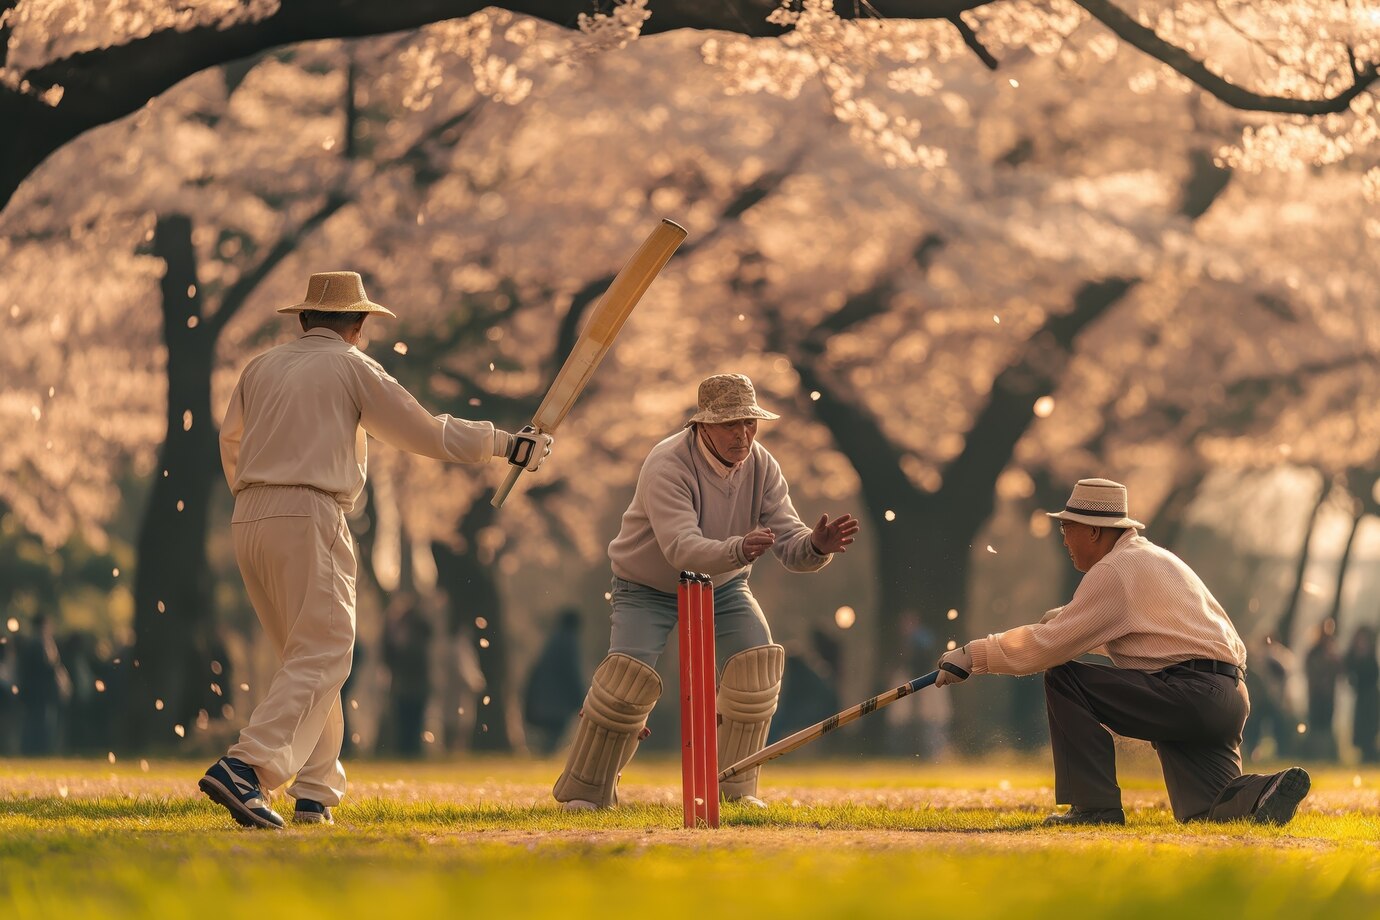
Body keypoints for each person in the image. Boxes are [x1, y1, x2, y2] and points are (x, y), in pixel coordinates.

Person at [201, 271, 552, 830]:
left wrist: (258, 494)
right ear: (359, 323)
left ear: (303, 318)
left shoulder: (260, 366)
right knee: (326, 650)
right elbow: (426, 432)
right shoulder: (350, 364)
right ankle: (245, 767)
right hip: (309, 510)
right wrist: (505, 444)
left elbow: (230, 442)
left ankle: (315, 791)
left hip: (250, 513)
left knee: (309, 656)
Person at [552, 373, 859, 810]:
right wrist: (738, 548)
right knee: (626, 684)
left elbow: (789, 540)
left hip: (724, 584)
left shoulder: (762, 464)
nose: (743, 433)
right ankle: (585, 792)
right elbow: (681, 548)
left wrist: (814, 546)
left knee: (757, 668)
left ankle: (734, 791)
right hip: (646, 585)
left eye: (749, 422)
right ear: (702, 425)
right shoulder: (667, 463)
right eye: (730, 423)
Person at [936, 478, 1310, 827]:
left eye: (1068, 528)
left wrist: (974, 655)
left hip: (1187, 693)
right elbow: (1116, 629)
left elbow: (1048, 648)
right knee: (1205, 811)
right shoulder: (1151, 560)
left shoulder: (1114, 570)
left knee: (1064, 679)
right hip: (1225, 698)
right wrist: (1059, 620)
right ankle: (1267, 790)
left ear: (1094, 531)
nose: (1064, 538)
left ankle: (1094, 806)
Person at [522, 607, 586, 756]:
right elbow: (571, 671)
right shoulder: (569, 641)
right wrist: (580, 696)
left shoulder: (554, 639)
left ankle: (543, 757)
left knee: (550, 735)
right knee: (554, 735)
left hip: (546, 697)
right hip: (557, 699)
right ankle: (545, 759)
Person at [1303, 619, 1342, 761]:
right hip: (1316, 695)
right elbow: (1310, 671)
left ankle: (1327, 755)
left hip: (1328, 695)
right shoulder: (1313, 652)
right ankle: (1314, 754)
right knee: (1316, 724)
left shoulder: (1332, 651)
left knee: (1326, 724)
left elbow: (1339, 670)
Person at [1344, 625, 1379, 763]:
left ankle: (1371, 754)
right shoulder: (1354, 656)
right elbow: (1350, 673)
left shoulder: (1370, 657)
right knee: (1361, 728)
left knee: (1370, 727)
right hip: (1361, 698)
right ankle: (1366, 754)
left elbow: (1372, 675)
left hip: (1371, 698)